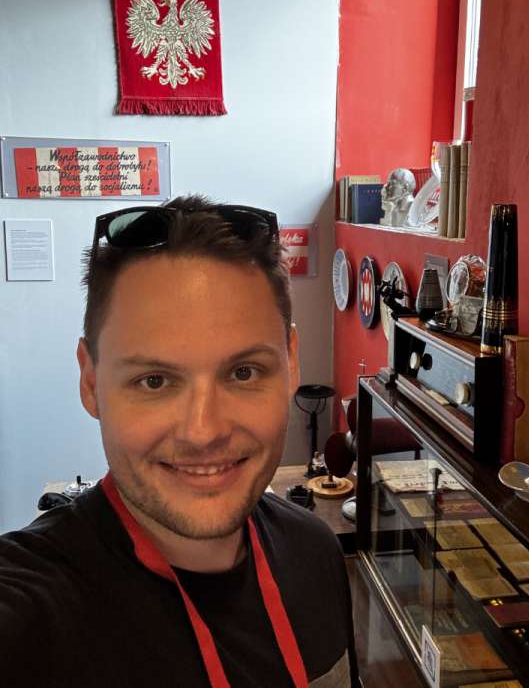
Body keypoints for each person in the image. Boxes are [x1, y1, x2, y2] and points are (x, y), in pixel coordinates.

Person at [0, 196, 359, 685]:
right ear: (90, 382)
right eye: (155, 381)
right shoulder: (31, 614)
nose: (203, 431)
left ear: (292, 364)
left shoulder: (315, 554)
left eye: (243, 371)